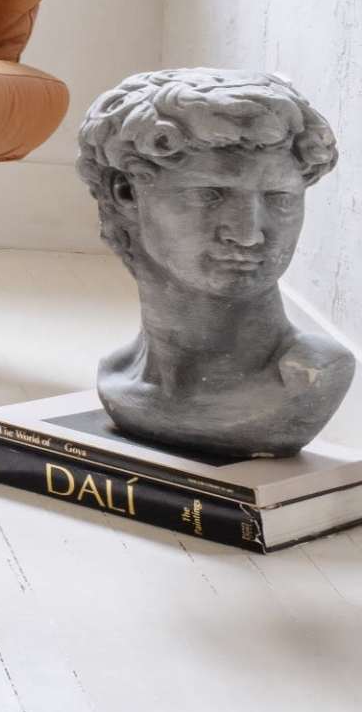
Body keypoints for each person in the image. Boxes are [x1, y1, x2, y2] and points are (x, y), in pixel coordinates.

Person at [75, 68, 351, 460]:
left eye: (279, 199)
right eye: (209, 195)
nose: (248, 233)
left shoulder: (311, 377)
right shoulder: (118, 374)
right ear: (126, 192)